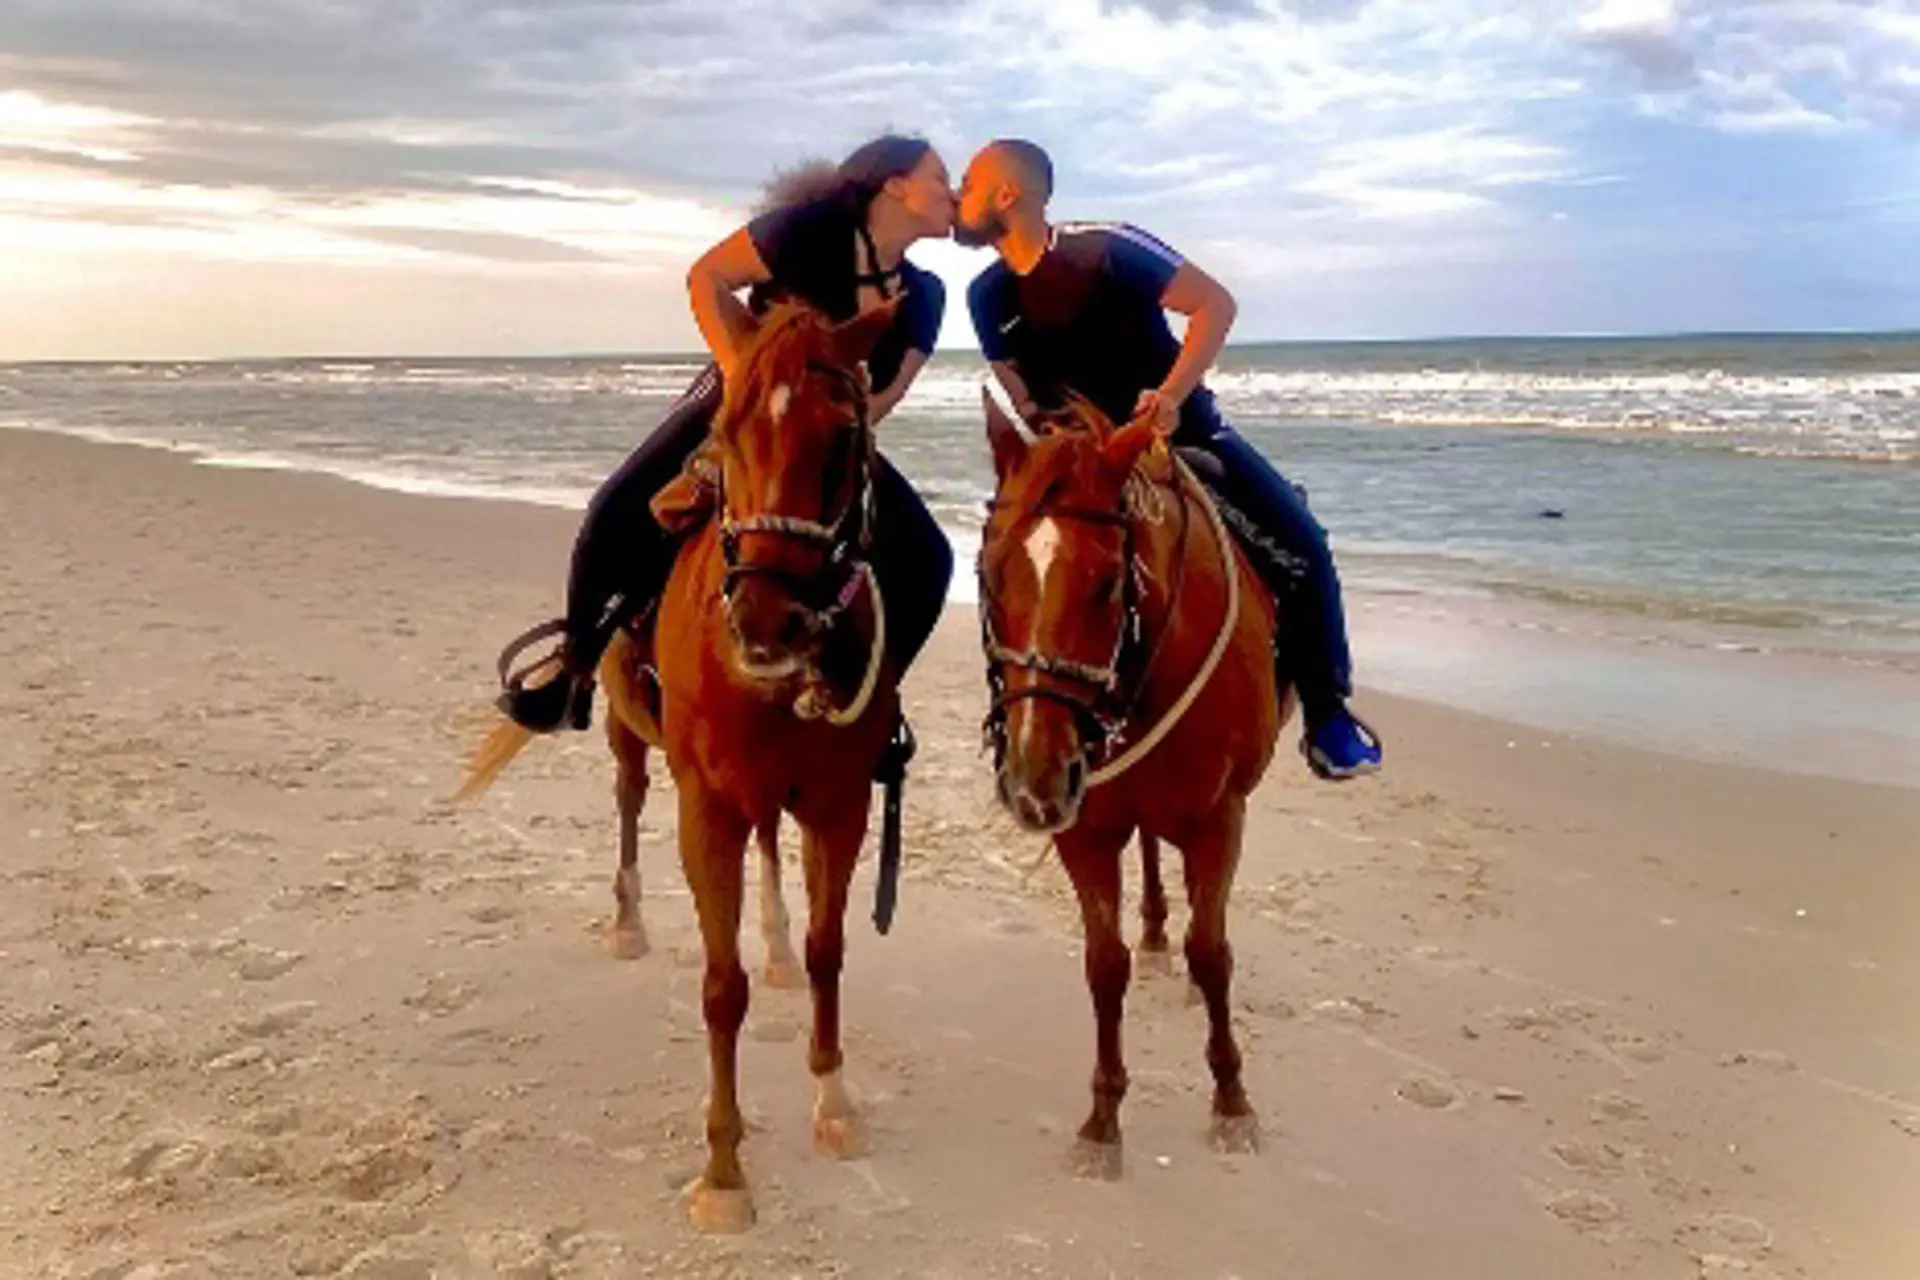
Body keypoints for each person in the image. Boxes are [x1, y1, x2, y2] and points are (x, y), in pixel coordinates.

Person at [496, 134, 957, 776]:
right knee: (620, 504)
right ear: (894, 184)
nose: (952, 192)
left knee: (928, 559)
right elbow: (707, 276)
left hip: (830, 436)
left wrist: (830, 431)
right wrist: (743, 373)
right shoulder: (808, 230)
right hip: (738, 407)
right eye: (941, 177)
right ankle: (573, 661)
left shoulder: (926, 294)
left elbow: (883, 395)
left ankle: (877, 702)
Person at [955, 139, 1382, 780]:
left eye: (969, 182)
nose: (959, 194)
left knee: (1304, 543)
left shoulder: (1109, 248)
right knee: (1006, 564)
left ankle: (1328, 716)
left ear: (1007, 194)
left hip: (1180, 437)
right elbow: (1020, 392)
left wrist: (1173, 396)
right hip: (1083, 466)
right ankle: (1019, 718)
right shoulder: (986, 295)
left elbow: (1215, 305)